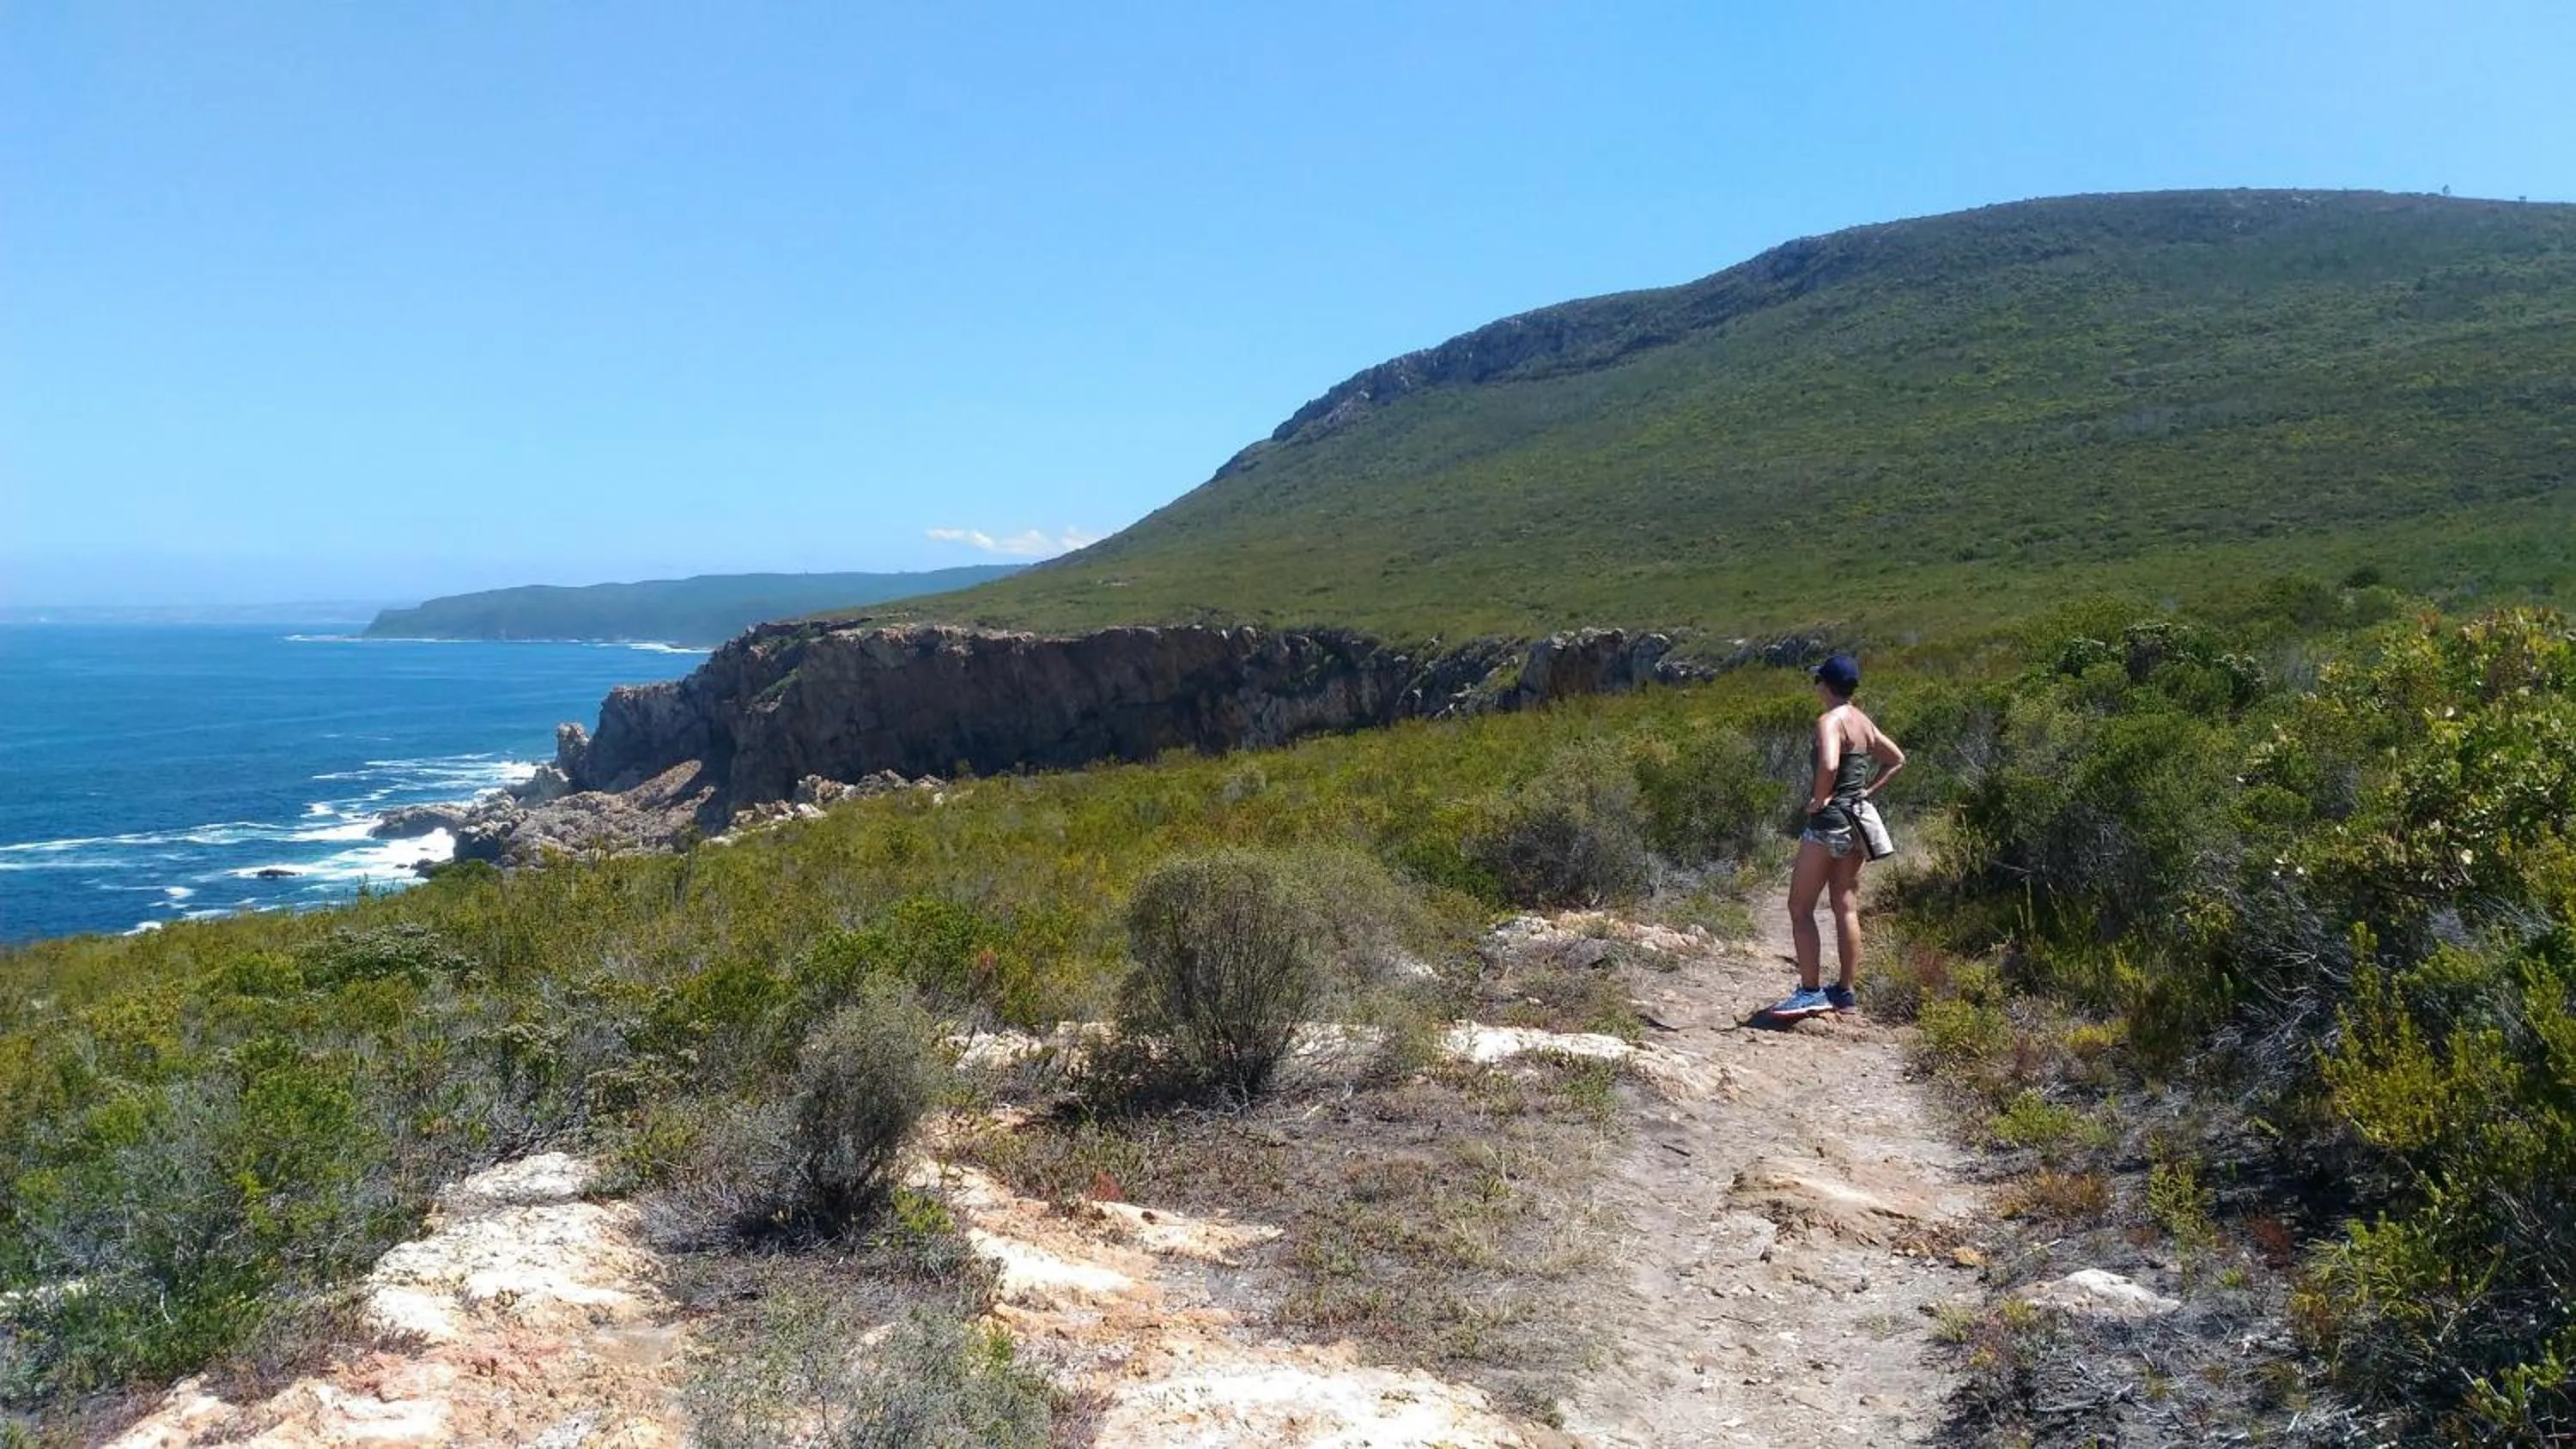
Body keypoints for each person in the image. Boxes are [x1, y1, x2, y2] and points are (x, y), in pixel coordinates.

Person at [1769, 653, 1904, 1018]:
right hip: (1856, 820)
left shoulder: (1829, 721)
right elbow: (1896, 759)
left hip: (1829, 822)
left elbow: (1829, 764)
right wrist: (1867, 791)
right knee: (1845, 904)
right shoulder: (1863, 721)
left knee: (1800, 908)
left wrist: (1818, 799)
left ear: (1825, 685)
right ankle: (1845, 992)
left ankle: (1810, 991)